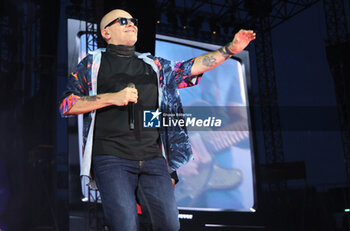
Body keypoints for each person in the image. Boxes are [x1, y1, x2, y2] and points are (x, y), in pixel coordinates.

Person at [59, 9, 255, 231]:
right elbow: (67, 105)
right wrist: (111, 98)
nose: (131, 24)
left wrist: (230, 49)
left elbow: (191, 67)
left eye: (134, 20)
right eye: (123, 21)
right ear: (106, 32)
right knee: (125, 225)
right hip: (112, 158)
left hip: (153, 160)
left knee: (170, 225)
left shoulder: (154, 66)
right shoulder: (92, 64)